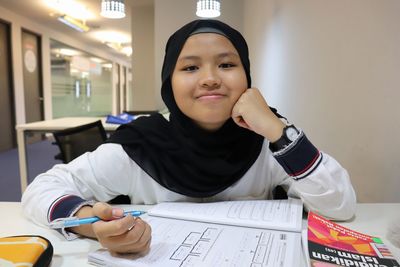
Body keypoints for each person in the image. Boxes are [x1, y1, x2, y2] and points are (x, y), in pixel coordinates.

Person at [22, 19, 356, 255]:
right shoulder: (140, 147)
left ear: (247, 77)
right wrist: (91, 225)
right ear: (169, 83)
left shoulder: (269, 141)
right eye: (190, 68)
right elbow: (41, 189)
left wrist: (279, 132)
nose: (210, 79)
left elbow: (340, 206)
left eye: (226, 65)